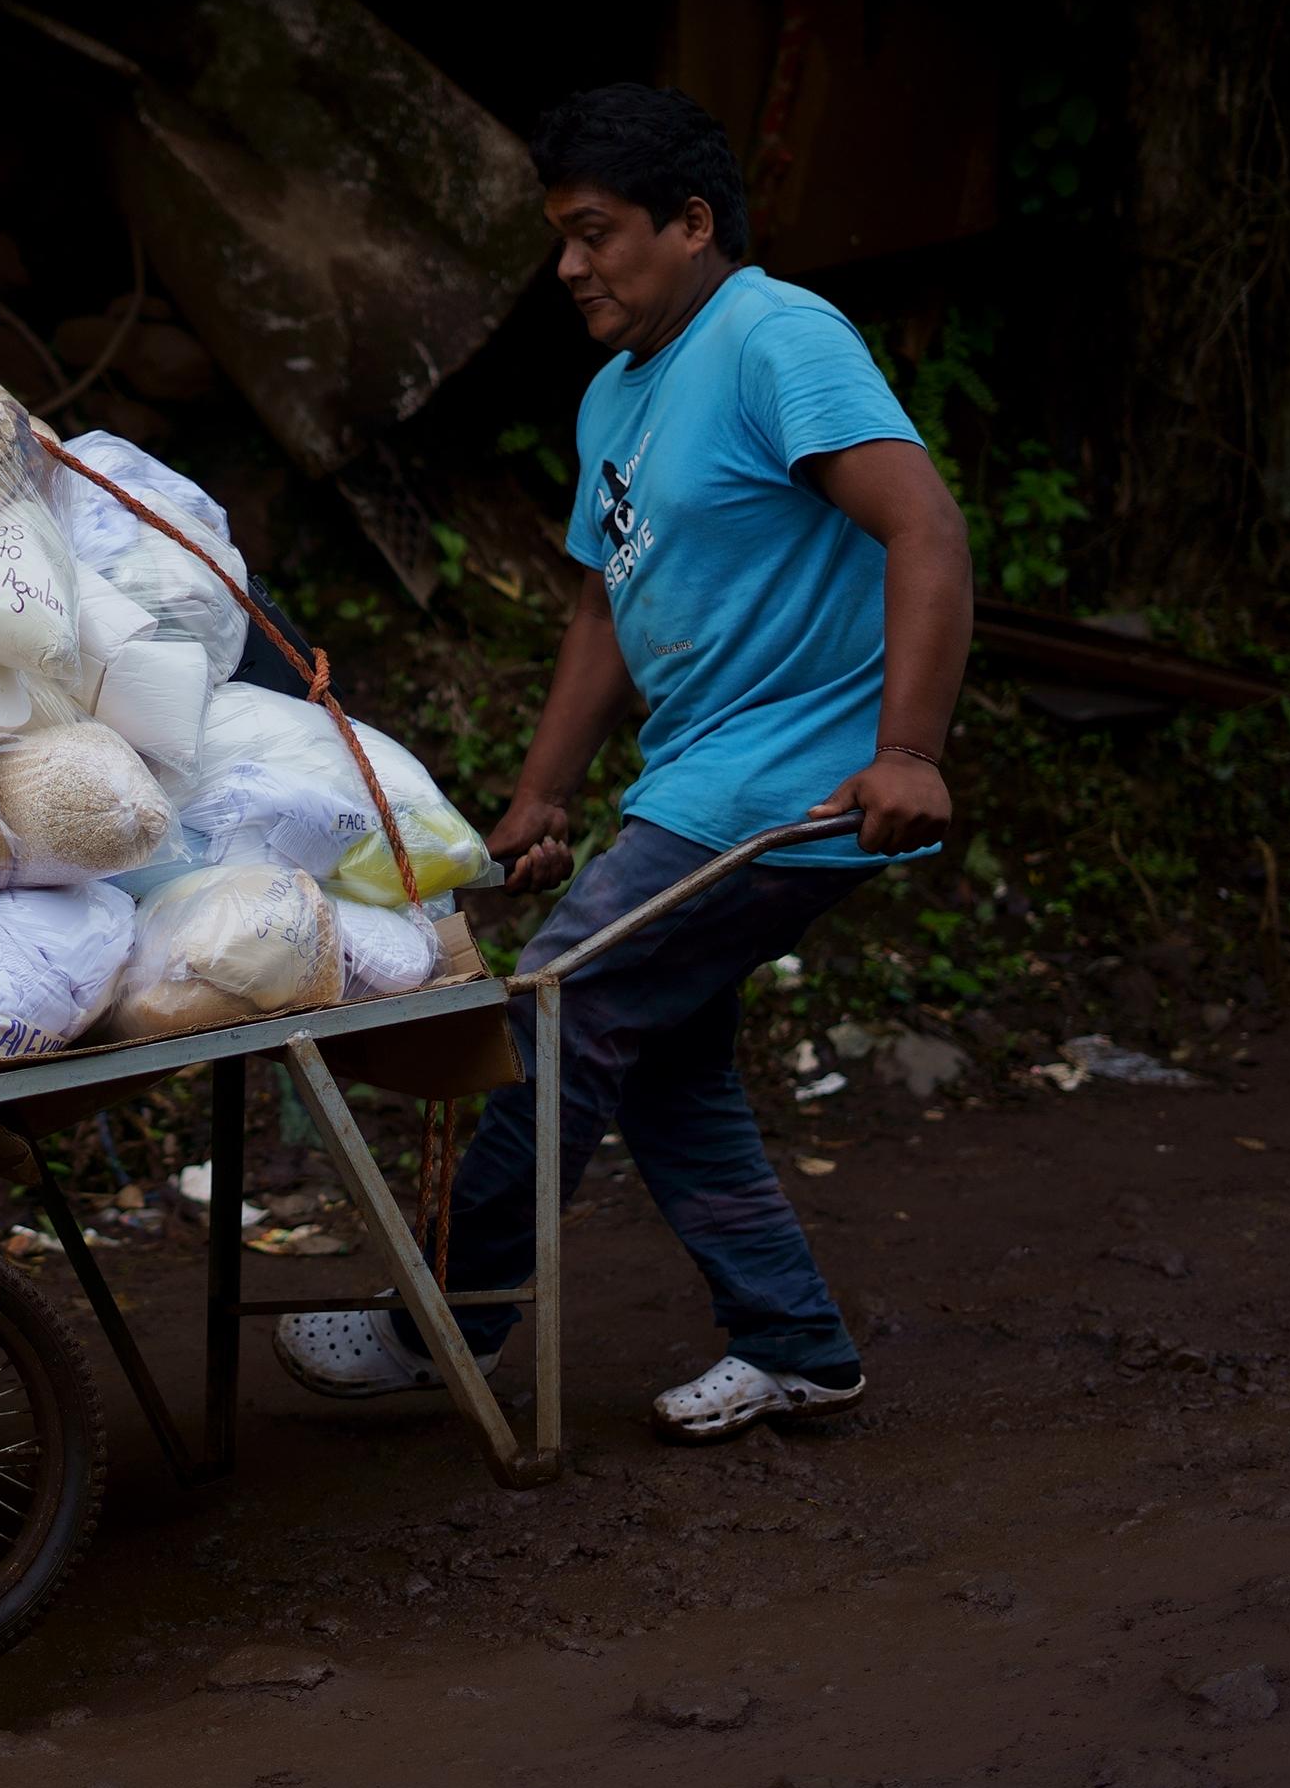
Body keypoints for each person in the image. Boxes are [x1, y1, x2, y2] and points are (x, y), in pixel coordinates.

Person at [272, 84, 971, 1444]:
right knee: (661, 1062)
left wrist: (908, 750)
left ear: (692, 222)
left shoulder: (774, 335)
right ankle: (795, 1344)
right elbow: (602, 609)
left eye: (595, 234)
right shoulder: (617, 394)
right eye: (562, 239)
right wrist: (545, 795)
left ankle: (447, 1325)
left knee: (555, 1001)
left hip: (785, 784)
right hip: (691, 779)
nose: (572, 268)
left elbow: (925, 526)